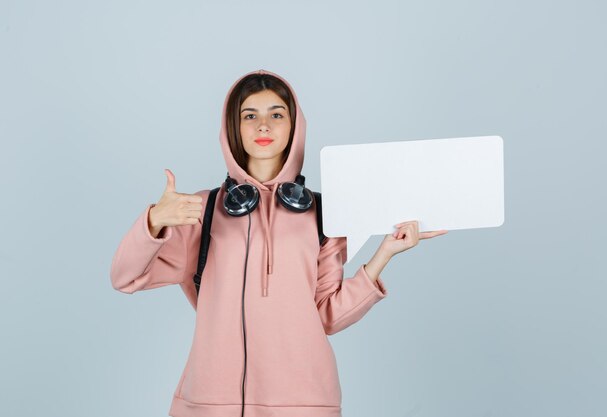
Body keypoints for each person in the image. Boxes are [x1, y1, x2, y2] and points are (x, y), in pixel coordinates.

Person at [110, 69, 448, 417]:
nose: (263, 126)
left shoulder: (324, 215)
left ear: (294, 126)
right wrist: (153, 221)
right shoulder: (201, 211)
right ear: (233, 128)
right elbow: (125, 277)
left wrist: (385, 253)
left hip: (304, 403)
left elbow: (327, 316)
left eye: (276, 114)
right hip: (211, 404)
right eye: (250, 116)